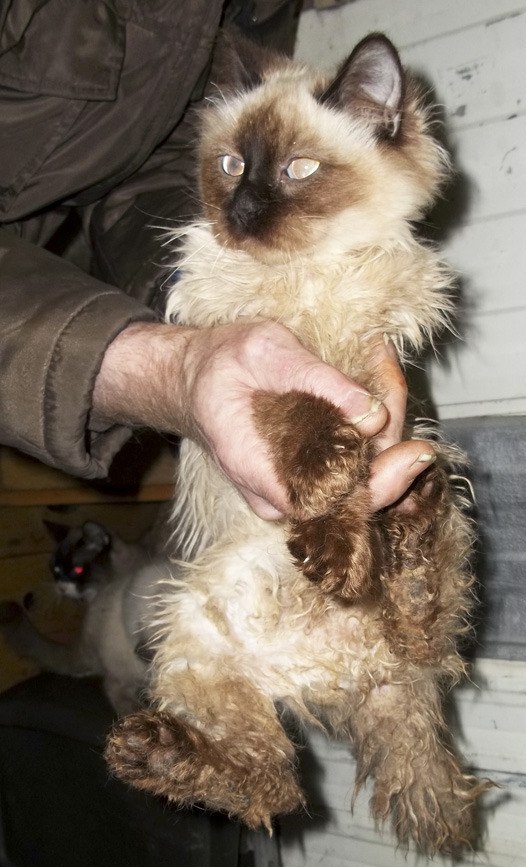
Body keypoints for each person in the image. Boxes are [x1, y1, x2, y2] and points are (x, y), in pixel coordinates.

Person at [0, 0, 435, 521]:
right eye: (234, 169)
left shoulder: (255, 12)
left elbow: (147, 167)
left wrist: (196, 298)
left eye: (296, 170)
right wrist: (172, 366)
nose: (246, 206)